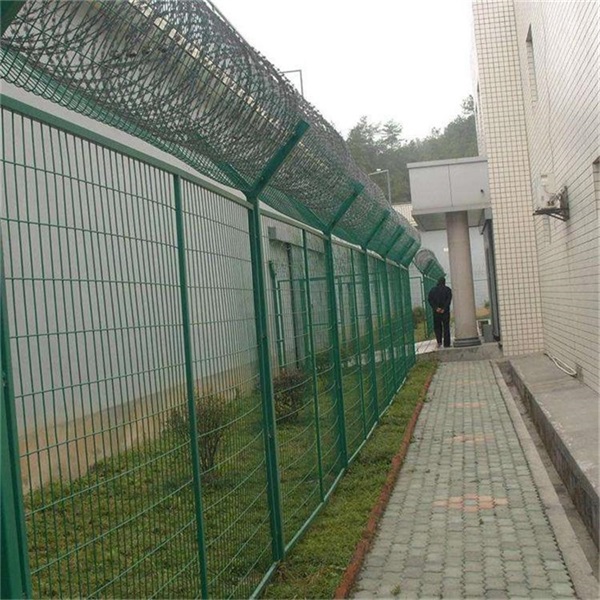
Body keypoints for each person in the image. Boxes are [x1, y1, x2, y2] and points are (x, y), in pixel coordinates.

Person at [428, 277, 452, 348]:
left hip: (436, 312)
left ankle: (439, 342)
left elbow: (430, 300)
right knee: (446, 327)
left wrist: (436, 308)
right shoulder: (448, 290)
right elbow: (448, 300)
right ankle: (447, 344)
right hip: (445, 312)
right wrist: (444, 308)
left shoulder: (433, 290)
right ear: (444, 282)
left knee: (437, 327)